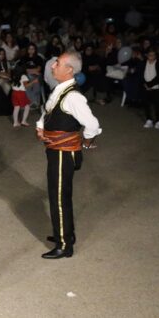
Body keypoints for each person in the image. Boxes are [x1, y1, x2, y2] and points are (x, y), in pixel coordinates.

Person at [36, 52, 102, 259]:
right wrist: (40, 126)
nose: (53, 66)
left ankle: (65, 245)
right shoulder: (61, 89)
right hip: (56, 151)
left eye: (57, 63)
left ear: (69, 70)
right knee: (58, 195)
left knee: (59, 198)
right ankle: (65, 234)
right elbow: (49, 110)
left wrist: (86, 142)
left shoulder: (73, 96)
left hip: (64, 153)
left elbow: (92, 124)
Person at [141, 49, 159, 129]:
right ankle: (149, 120)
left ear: (156, 55)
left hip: (155, 88)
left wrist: (149, 85)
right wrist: (145, 84)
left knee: (157, 105)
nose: (151, 56)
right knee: (146, 104)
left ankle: (158, 121)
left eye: (153, 55)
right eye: (150, 54)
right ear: (147, 55)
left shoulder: (158, 64)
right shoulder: (144, 63)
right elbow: (141, 74)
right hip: (145, 87)